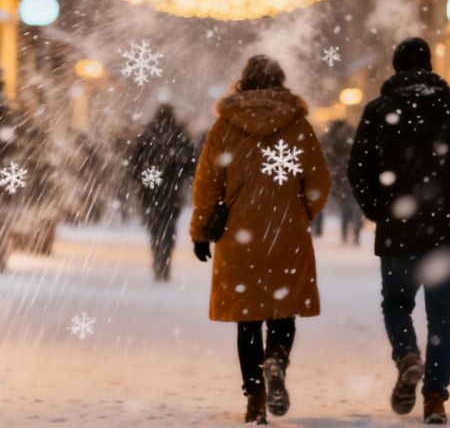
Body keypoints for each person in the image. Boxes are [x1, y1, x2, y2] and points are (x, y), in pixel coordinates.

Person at [348, 38, 450, 426]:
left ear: (396, 69)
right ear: (429, 66)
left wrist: (380, 211)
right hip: (444, 231)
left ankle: (407, 355)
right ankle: (434, 399)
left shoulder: (379, 111)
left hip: (398, 230)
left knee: (397, 304)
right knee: (442, 314)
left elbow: (358, 171)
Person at [190, 55, 331, 424]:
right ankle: (277, 364)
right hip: (287, 232)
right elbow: (318, 182)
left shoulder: (224, 126)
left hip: (240, 235)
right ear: (280, 83)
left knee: (247, 319)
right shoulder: (297, 125)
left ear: (244, 83)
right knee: (282, 312)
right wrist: (302, 213)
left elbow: (207, 184)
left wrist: (201, 231)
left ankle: (255, 398)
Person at [128, 104, 198, 281]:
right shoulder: (179, 133)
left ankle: (158, 255)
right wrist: (181, 176)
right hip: (171, 188)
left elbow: (135, 163)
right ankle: (165, 258)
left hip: (151, 186)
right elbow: (191, 162)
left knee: (155, 225)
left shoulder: (148, 134)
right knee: (168, 226)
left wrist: (143, 179)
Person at [320, 119, 364, 245]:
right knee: (355, 206)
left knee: (346, 206)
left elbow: (328, 158)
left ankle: (346, 233)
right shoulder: (354, 134)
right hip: (354, 176)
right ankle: (356, 232)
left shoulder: (331, 138)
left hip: (340, 177)